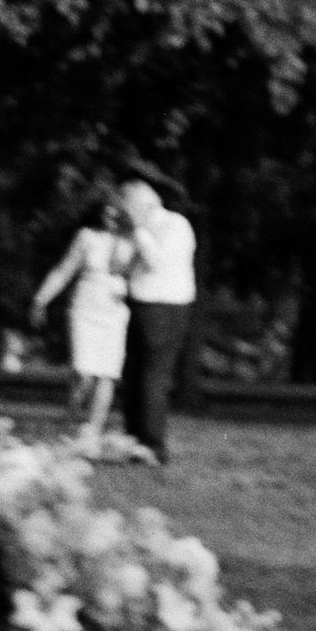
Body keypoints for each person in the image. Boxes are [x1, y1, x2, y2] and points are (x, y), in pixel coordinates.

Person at [30, 194, 131, 448]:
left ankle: (92, 432)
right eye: (106, 213)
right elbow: (65, 270)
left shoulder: (131, 241)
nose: (111, 218)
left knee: (106, 374)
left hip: (115, 311)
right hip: (86, 308)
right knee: (83, 372)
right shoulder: (86, 237)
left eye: (115, 213)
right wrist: (41, 299)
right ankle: (71, 420)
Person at [116, 178, 198, 462]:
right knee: (133, 374)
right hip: (141, 304)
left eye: (126, 208)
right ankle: (134, 438)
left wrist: (137, 230)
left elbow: (155, 262)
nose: (123, 214)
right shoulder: (142, 229)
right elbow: (123, 265)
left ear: (143, 205)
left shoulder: (175, 225)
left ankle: (152, 444)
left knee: (153, 375)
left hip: (165, 307)